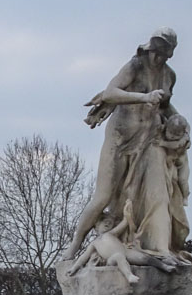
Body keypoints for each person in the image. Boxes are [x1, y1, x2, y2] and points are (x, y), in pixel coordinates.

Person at [64, 27, 183, 262]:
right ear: (149, 49)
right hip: (120, 139)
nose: (158, 58)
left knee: (157, 194)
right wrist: (143, 97)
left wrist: (180, 121)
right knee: (103, 196)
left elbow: (165, 105)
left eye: (163, 54)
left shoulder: (169, 75)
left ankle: (158, 247)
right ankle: (75, 245)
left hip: (149, 139)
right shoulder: (135, 65)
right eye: (155, 52)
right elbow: (110, 93)